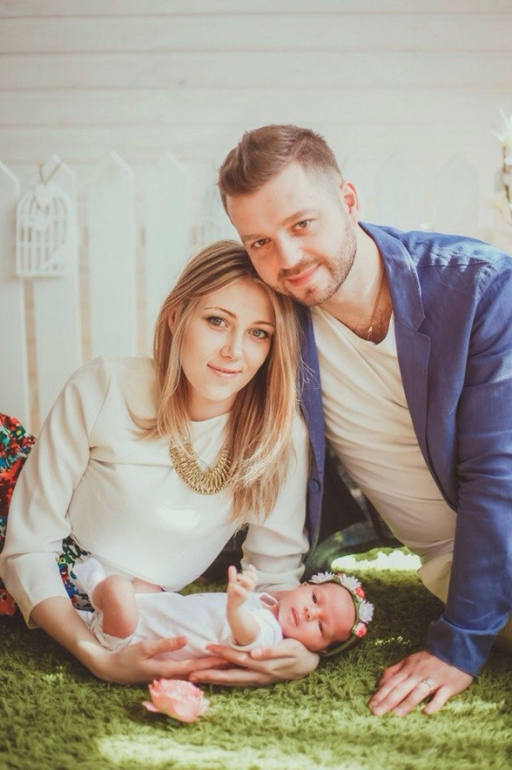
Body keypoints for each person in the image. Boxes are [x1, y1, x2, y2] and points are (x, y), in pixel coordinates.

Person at [191, 124, 512, 716]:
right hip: (449, 567)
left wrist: (459, 646)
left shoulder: (480, 289)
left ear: (348, 200)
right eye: (260, 242)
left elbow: (501, 475)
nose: (287, 259)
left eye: (301, 224)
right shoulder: (275, 323)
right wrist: (270, 616)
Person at [0, 239, 312, 685]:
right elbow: (28, 547)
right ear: (176, 316)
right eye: (217, 321)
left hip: (132, 607)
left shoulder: (281, 436)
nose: (234, 351)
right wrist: (98, 657)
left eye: (259, 332)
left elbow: (273, 576)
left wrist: (300, 653)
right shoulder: (103, 386)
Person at [73, 559, 374, 658]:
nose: (310, 613)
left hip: (131, 637)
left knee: (118, 587)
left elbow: (248, 634)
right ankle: (100, 604)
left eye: (320, 626)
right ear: (304, 585)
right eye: (315, 600)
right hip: (152, 611)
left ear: (318, 649)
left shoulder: (271, 635)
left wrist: (235, 608)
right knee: (148, 583)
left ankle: (94, 588)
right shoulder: (268, 602)